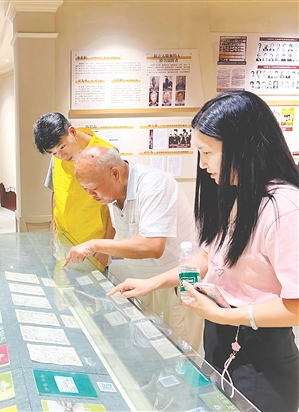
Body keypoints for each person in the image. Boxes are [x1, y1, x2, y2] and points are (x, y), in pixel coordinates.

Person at [109, 91, 299, 411]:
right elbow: (208, 259)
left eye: (207, 152)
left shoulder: (285, 207)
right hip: (222, 338)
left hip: (259, 353)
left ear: (244, 147)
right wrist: (153, 282)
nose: (202, 163)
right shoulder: (237, 194)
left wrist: (222, 315)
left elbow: (295, 305)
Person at [62, 145, 204, 352]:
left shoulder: (154, 185)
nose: (90, 194)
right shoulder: (112, 189)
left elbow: (153, 246)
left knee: (181, 351)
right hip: (144, 282)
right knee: (152, 347)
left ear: (115, 173)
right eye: (85, 189)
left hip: (175, 284)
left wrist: (95, 245)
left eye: (93, 188)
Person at [33, 112, 115, 267]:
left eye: (62, 147)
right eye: (54, 153)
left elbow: (116, 207)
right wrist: (53, 226)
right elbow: (56, 191)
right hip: (62, 240)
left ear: (72, 131)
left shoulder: (106, 153)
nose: (62, 155)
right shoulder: (57, 157)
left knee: (90, 282)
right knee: (61, 280)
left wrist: (105, 251)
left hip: (92, 244)